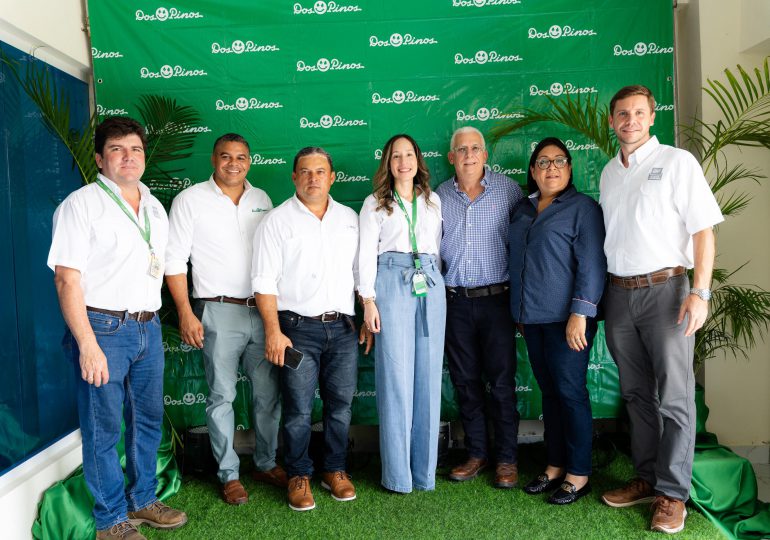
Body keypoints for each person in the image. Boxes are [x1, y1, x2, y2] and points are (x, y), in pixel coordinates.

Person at [48, 117, 187, 540]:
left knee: (146, 421)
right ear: (99, 159)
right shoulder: (81, 204)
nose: (128, 157)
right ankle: (111, 521)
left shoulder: (155, 208)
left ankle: (143, 500)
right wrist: (87, 344)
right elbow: (66, 279)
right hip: (102, 328)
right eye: (117, 150)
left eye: (136, 150)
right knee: (103, 427)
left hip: (147, 329)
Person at [599, 85, 723, 534]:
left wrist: (701, 292)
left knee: (674, 396)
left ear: (652, 117)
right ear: (612, 121)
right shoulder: (610, 173)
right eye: (621, 114)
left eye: (637, 113)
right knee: (636, 395)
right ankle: (647, 477)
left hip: (668, 291)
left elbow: (703, 232)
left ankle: (673, 494)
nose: (629, 120)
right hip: (618, 295)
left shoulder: (677, 162)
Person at [165, 133, 285, 506]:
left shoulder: (261, 199)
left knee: (268, 395)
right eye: (226, 156)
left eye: (242, 157)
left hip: (261, 310)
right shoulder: (190, 200)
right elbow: (174, 263)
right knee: (221, 396)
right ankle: (229, 475)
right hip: (217, 310)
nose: (234, 163)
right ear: (213, 159)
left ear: (250, 160)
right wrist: (186, 312)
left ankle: (266, 463)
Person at [251, 147, 371, 511]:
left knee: (340, 407)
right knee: (299, 409)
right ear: (294, 177)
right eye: (305, 171)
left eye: (321, 171)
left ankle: (334, 470)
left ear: (332, 177)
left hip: (344, 328)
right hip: (296, 329)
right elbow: (264, 281)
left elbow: (360, 273)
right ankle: (299, 474)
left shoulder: (349, 219)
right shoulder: (276, 221)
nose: (313, 177)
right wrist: (273, 331)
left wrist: (366, 312)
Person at [508, 137, 606, 505]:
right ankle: (554, 465)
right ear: (533, 171)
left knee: (570, 392)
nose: (551, 167)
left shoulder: (583, 208)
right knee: (549, 393)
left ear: (569, 168)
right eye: (543, 162)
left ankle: (579, 474)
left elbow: (593, 265)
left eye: (559, 161)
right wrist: (518, 313)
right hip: (532, 320)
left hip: (569, 322)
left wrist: (580, 313)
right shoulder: (522, 209)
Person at [435, 127, 523, 488]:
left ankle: (506, 459)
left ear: (485, 155)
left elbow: (523, 246)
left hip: (498, 301)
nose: (469, 155)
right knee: (465, 382)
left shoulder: (509, 191)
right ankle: (476, 454)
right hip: (455, 303)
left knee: (501, 384)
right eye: (461, 149)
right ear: (451, 157)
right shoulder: (438, 195)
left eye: (476, 148)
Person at [358, 134, 446, 493]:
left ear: (418, 159)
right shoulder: (375, 204)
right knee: (396, 378)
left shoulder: (433, 200)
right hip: (391, 283)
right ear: (388, 163)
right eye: (396, 156)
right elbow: (364, 254)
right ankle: (398, 476)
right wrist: (368, 300)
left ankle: (424, 474)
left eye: (409, 154)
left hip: (429, 281)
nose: (403, 161)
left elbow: (437, 249)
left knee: (428, 378)